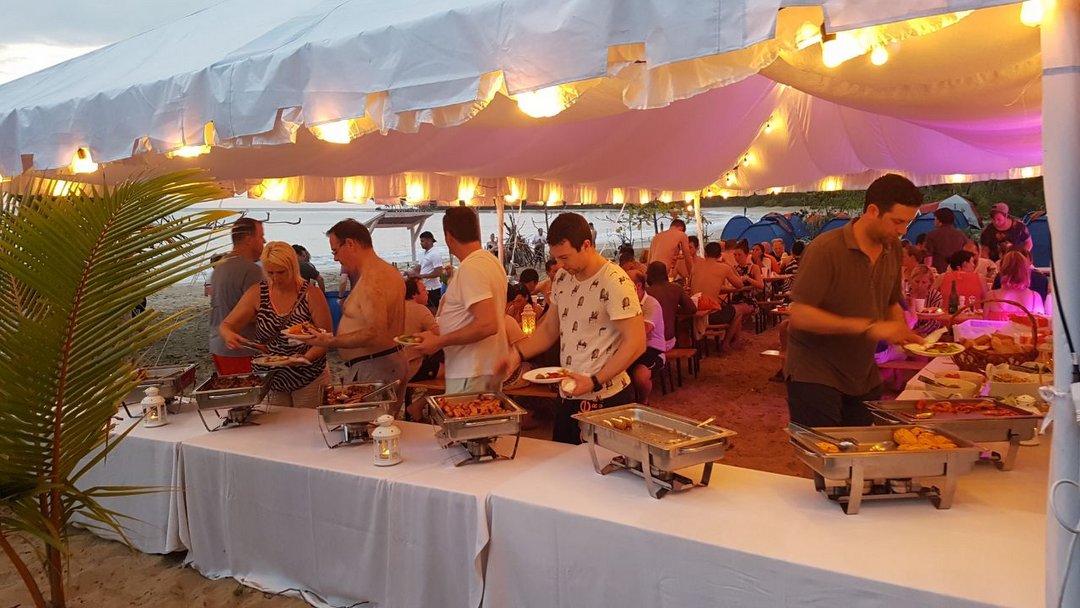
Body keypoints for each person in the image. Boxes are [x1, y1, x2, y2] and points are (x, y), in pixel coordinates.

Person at [785, 173, 924, 427]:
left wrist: (900, 330)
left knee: (861, 447)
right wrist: (869, 327)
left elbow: (891, 301)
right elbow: (800, 315)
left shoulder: (893, 249)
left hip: (863, 372)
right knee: (823, 450)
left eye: (907, 223)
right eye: (897, 221)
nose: (902, 231)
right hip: (815, 372)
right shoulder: (825, 249)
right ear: (872, 211)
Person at [501, 212, 645, 444]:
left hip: (606, 395)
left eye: (565, 257)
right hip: (568, 391)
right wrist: (516, 353)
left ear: (586, 245)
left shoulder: (614, 281)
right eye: (556, 258)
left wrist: (594, 380)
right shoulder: (562, 278)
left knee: (604, 463)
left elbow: (636, 343)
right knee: (565, 459)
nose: (560, 265)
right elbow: (549, 329)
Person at [219, 242, 332, 407]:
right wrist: (228, 334)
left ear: (293, 268)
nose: (275, 278)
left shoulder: (311, 294)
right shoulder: (257, 292)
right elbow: (227, 324)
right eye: (270, 272)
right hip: (269, 378)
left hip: (309, 376)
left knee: (309, 422)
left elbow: (326, 339)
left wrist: (305, 357)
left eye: (281, 272)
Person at [413, 207, 508, 394]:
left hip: (472, 371)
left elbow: (487, 324)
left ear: (449, 237)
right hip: (483, 368)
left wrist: (440, 341)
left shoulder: (471, 268)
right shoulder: (491, 261)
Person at [303, 219, 408, 388]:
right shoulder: (388, 271)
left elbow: (374, 333)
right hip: (386, 362)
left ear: (350, 244)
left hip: (374, 367)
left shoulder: (372, 278)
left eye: (335, 251)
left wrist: (329, 341)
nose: (336, 258)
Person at [209, 217, 266, 375]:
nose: (264, 241)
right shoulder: (251, 270)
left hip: (219, 344)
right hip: (243, 346)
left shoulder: (220, 266)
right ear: (249, 239)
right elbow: (259, 313)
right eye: (261, 236)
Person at [689, 242, 747, 346]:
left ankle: (730, 340)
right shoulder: (724, 268)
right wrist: (729, 265)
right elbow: (740, 285)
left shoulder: (695, 266)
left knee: (725, 307)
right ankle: (726, 343)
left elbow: (689, 285)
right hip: (711, 315)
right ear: (720, 255)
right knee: (739, 310)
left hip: (694, 312)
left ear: (705, 254)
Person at [628, 271, 666, 404]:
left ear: (638, 285)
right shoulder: (624, 303)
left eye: (625, 281)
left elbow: (644, 330)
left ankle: (644, 401)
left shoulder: (651, 304)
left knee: (640, 375)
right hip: (631, 347)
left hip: (652, 348)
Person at [645, 261, 697, 351]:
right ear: (665, 274)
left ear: (649, 276)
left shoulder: (646, 292)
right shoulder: (676, 288)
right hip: (669, 341)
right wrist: (673, 309)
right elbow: (692, 309)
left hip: (651, 344)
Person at [985, 250, 1046, 319]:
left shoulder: (991, 296)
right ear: (1026, 272)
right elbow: (1040, 323)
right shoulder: (1035, 297)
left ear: (1003, 271)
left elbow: (984, 323)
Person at [923, 208, 969, 274]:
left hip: (938, 273)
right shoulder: (961, 235)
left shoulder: (932, 235)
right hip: (958, 273)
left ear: (939, 220)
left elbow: (928, 257)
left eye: (935, 219)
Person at [905, 264, 943, 336]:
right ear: (911, 280)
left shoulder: (935, 296)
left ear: (930, 283)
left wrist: (918, 332)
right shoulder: (906, 295)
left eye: (924, 282)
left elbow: (934, 321)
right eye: (917, 281)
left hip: (929, 332)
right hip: (907, 331)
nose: (919, 285)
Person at [412, 230, 445, 309]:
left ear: (429, 241)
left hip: (433, 288)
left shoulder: (435, 254)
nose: (421, 243)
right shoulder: (424, 254)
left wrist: (420, 276)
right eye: (421, 241)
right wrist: (411, 274)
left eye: (422, 241)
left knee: (433, 310)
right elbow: (418, 268)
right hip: (424, 288)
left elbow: (438, 272)